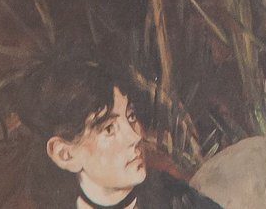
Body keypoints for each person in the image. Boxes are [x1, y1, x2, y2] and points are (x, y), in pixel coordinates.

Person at [30, 58, 208, 209]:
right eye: (109, 128)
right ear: (65, 154)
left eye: (130, 116)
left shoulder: (175, 198)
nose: (136, 136)